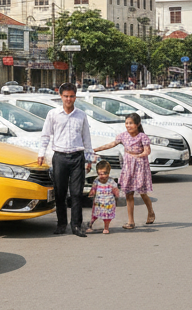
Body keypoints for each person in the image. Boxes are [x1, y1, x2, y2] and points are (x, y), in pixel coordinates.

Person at [38, 82, 93, 237]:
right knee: (60, 192)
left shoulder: (81, 115)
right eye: (66, 96)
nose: (69, 99)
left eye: (72, 96)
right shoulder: (53, 114)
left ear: (75, 97)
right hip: (60, 157)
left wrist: (89, 158)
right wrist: (41, 153)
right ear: (60, 96)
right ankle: (61, 224)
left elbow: (86, 138)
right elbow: (45, 135)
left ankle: (76, 225)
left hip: (77, 157)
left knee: (76, 193)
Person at [94, 112, 154, 228]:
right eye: (126, 123)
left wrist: (140, 155)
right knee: (128, 193)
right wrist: (96, 149)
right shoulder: (123, 136)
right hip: (128, 167)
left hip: (140, 166)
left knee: (142, 192)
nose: (128, 125)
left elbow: (147, 151)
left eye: (131, 123)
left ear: (137, 124)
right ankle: (131, 221)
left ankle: (150, 211)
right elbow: (112, 144)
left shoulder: (142, 137)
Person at [87, 160, 117, 234]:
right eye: (100, 174)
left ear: (109, 172)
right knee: (94, 215)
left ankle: (106, 227)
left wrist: (116, 193)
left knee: (107, 217)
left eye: (105, 173)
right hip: (98, 202)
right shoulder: (96, 181)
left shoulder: (111, 181)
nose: (102, 175)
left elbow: (115, 189)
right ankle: (90, 224)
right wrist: (92, 193)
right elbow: (94, 188)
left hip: (108, 202)